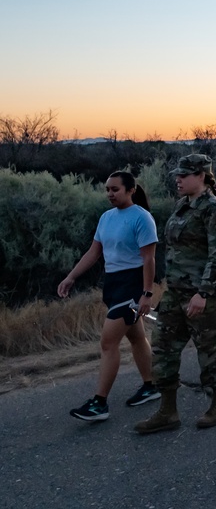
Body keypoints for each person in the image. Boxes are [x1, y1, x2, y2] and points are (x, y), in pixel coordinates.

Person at [136, 154, 216, 434]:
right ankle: (167, 411)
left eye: (185, 175)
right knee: (163, 348)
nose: (178, 179)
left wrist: (203, 293)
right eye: (177, 174)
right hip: (175, 293)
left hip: (202, 294)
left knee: (209, 350)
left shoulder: (214, 208)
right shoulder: (182, 205)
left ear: (201, 175)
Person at [58, 171, 158, 422]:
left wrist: (147, 294)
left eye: (115, 189)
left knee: (108, 342)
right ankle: (151, 385)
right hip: (112, 284)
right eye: (107, 190)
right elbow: (94, 253)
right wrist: (71, 277)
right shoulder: (106, 217)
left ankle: (99, 403)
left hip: (132, 285)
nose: (110, 194)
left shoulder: (142, 218)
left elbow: (149, 258)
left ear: (130, 190)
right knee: (137, 337)